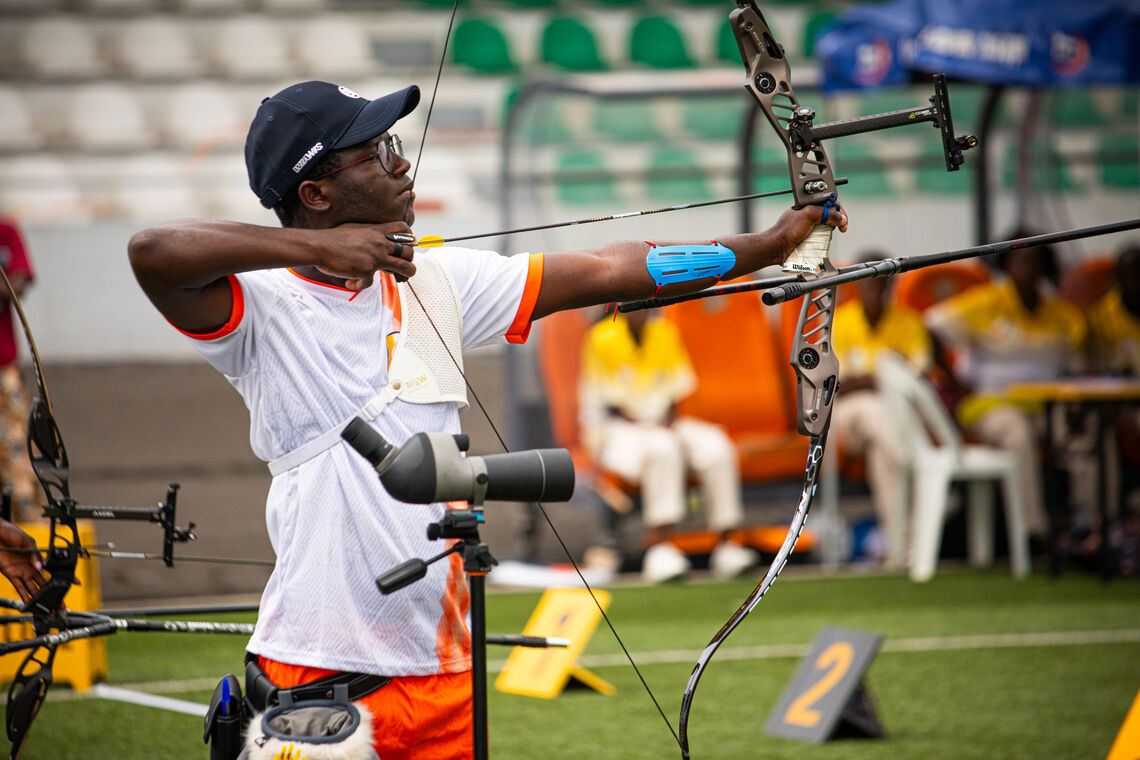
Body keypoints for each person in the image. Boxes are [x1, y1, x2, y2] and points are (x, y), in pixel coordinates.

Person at [126, 80, 846, 759]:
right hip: (315, 671)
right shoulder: (260, 310)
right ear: (315, 193)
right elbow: (153, 253)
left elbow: (610, 268)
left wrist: (767, 248)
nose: (401, 165)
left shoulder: (435, 278)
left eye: (396, 145)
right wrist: (319, 248)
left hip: (444, 671)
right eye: (376, 154)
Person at [924, 232, 1086, 542]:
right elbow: (932, 324)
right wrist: (954, 381)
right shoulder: (987, 301)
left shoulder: (1062, 314)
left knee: (1087, 433)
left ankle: (1090, 527)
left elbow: (1077, 367)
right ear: (1006, 264)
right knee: (1017, 433)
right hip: (993, 403)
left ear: (1045, 266)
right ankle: (1033, 533)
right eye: (1020, 259)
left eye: (1034, 260)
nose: (1027, 267)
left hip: (1049, 405)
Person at [578, 306, 759, 583]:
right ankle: (661, 548)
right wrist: (656, 428)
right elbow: (611, 405)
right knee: (663, 448)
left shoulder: (665, 332)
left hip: (664, 423)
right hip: (615, 431)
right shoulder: (600, 337)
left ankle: (727, 544)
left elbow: (676, 392)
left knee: (715, 445)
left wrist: (667, 425)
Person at [831, 251, 933, 568]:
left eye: (881, 280)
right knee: (881, 417)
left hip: (895, 416)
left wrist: (867, 378)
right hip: (849, 415)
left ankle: (900, 548)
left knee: (884, 452)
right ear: (856, 284)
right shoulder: (840, 321)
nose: (873, 287)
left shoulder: (909, 322)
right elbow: (835, 386)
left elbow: (920, 378)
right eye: (867, 280)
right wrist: (883, 377)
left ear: (892, 285)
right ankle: (917, 469)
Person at [0, 219, 40, 522]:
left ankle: (28, 530)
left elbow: (21, 280)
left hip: (3, 368)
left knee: (16, 457)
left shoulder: (7, 232)